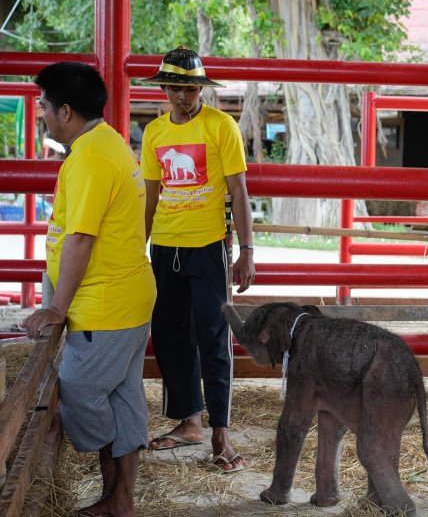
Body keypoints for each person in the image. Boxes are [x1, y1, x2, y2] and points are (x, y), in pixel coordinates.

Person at [21, 61, 157, 517]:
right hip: (126, 297)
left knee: (79, 391)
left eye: (42, 105)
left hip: (106, 306)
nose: (40, 113)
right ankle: (120, 500)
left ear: (65, 110)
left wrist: (57, 308)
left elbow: (80, 237)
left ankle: (118, 495)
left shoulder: (93, 158)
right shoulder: (107, 142)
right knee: (122, 393)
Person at [139, 46, 255, 473]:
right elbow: (151, 196)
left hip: (207, 248)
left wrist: (247, 250)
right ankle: (189, 422)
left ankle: (221, 434)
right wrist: (139, 246)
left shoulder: (221, 126)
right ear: (165, 88)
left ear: (200, 88)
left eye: (189, 88)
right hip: (164, 247)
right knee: (169, 334)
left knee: (213, 336)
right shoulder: (154, 134)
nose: (181, 96)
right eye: (174, 87)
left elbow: (239, 190)